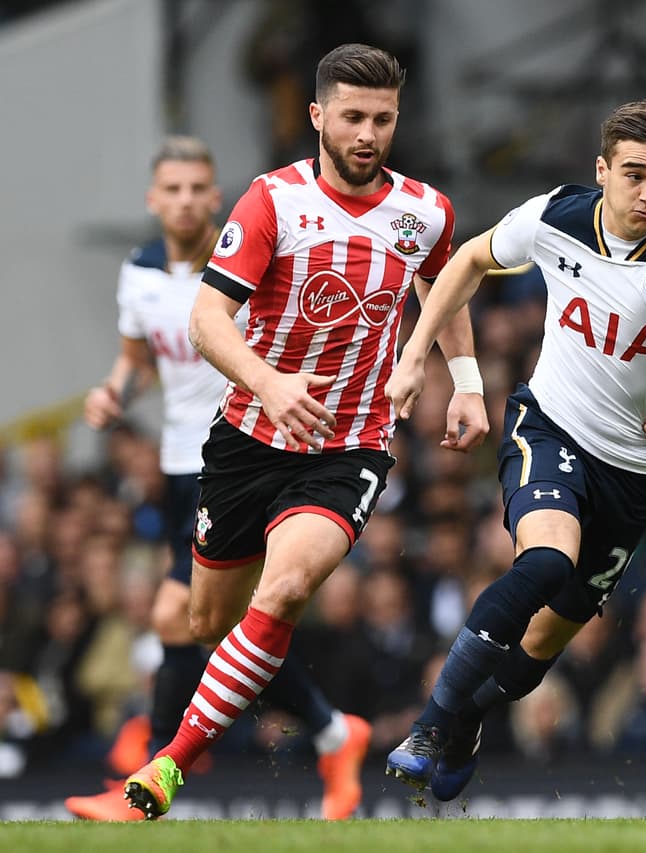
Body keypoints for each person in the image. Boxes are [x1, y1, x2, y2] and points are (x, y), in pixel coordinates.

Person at [120, 43, 488, 820]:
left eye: (382, 119)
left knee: (284, 589)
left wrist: (467, 383)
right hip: (248, 436)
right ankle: (332, 727)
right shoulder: (271, 202)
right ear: (318, 116)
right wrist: (269, 381)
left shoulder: (426, 210)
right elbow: (207, 316)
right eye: (352, 116)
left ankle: (171, 763)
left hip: (347, 443)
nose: (367, 133)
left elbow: (444, 291)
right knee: (206, 620)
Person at [381, 100, 646, 802]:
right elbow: (466, 261)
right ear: (602, 170)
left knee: (545, 642)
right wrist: (415, 356)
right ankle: (431, 724)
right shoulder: (554, 217)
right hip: (549, 426)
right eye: (635, 175)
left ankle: (469, 721)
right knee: (546, 560)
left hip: (637, 473)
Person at [65, 137, 373, 822]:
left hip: (245, 456)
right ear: (153, 199)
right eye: (170, 189)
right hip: (180, 466)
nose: (183, 200)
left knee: (184, 615)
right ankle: (330, 731)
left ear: (215, 196)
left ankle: (151, 761)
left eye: (196, 188)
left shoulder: (248, 259)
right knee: (217, 622)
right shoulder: (139, 271)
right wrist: (115, 390)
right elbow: (137, 358)